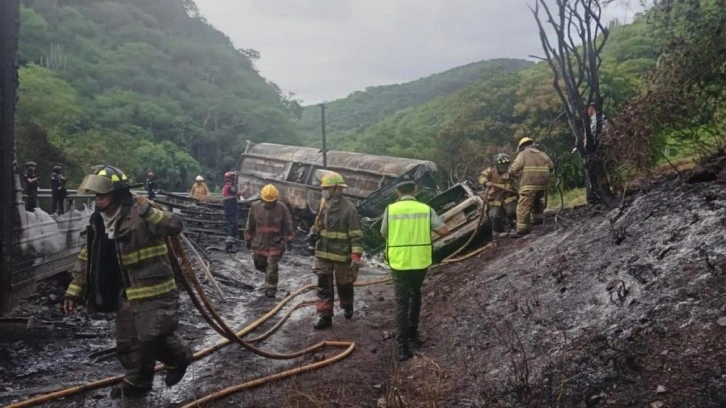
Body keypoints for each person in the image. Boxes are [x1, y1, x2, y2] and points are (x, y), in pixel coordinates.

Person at [62, 165, 192, 399]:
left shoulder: (140, 212)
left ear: (117, 194)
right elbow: (88, 256)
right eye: (96, 196)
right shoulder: (98, 220)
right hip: (125, 290)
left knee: (152, 335)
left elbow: (175, 226)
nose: (97, 200)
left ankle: (179, 358)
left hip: (154, 289)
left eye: (102, 195)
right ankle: (138, 381)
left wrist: (150, 212)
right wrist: (75, 291)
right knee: (129, 341)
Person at [380, 175, 449, 361]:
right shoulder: (425, 209)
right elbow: (443, 230)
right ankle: (413, 334)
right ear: (415, 191)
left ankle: (402, 346)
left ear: (398, 192)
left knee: (401, 302)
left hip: (399, 262)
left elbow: (383, 233)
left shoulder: (390, 210)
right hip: (420, 261)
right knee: (416, 295)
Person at [310, 172, 364, 330]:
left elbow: (356, 235)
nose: (324, 191)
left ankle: (347, 305)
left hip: (342, 255)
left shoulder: (349, 209)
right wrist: (314, 232)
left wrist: (355, 256)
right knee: (323, 286)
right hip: (323, 252)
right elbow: (318, 224)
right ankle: (324, 316)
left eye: (326, 188)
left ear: (336, 189)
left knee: (344, 285)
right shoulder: (323, 204)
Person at [244, 184, 293, 298]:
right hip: (259, 243)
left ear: (276, 199)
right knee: (259, 264)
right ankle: (269, 277)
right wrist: (248, 239)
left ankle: (270, 288)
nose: (269, 204)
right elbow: (249, 225)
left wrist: (290, 240)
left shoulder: (282, 208)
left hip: (276, 243)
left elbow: (288, 225)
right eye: (267, 201)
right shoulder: (255, 207)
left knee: (272, 265)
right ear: (262, 198)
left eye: (271, 201)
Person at [508, 137, 554, 238]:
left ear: (521, 146)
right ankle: (538, 220)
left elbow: (513, 169)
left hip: (528, 185)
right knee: (537, 201)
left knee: (523, 207)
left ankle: (522, 230)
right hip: (542, 185)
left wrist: (515, 176)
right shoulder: (542, 154)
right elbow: (551, 166)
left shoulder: (523, 154)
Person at [478, 153, 518, 236]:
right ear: (497, 165)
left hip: (507, 195)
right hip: (495, 197)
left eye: (506, 165)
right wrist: (485, 182)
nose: (505, 168)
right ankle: (498, 233)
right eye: (502, 166)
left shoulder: (510, 171)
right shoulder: (490, 170)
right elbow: (481, 177)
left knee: (512, 210)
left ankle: (516, 225)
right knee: (495, 215)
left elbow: (519, 176)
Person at [222, 171, 243, 253]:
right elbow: (239, 193)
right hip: (231, 209)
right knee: (232, 227)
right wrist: (247, 188)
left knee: (230, 226)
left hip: (228, 209)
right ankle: (228, 247)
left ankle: (229, 245)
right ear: (231, 178)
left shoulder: (226, 187)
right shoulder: (230, 187)